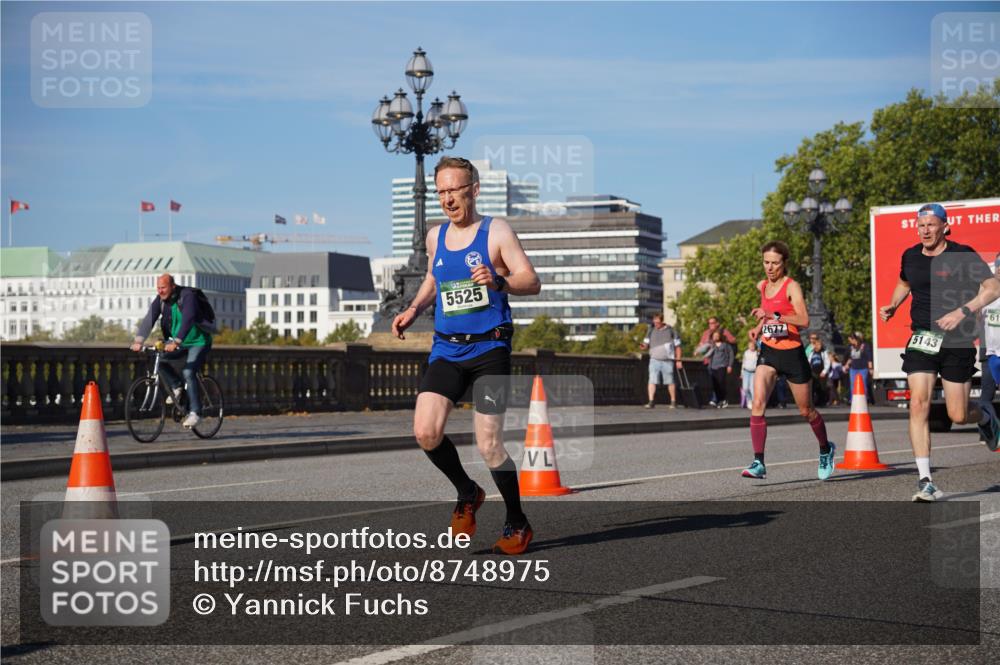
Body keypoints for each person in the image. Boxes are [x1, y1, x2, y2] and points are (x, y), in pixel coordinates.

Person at [392, 156, 541, 555]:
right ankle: (467, 491)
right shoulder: (435, 237)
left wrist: (500, 280)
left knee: (489, 443)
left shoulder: (496, 231)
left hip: (490, 349)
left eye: (454, 189)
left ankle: (517, 521)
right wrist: (413, 309)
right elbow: (431, 279)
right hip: (447, 348)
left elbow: (532, 280)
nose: (446, 198)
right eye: (440, 191)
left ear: (473, 189)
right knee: (425, 431)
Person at [879, 203, 1000, 501]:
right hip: (922, 338)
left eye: (931, 225)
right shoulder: (910, 255)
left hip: (957, 340)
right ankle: (926, 480)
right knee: (918, 404)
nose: (925, 231)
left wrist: (963, 311)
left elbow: (993, 287)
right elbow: (904, 282)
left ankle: (985, 416)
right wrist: (893, 305)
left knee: (958, 414)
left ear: (945, 226)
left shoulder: (962, 254)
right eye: (921, 225)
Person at [742, 240, 836, 481]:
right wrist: (758, 327)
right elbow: (766, 313)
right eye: (766, 262)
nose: (770, 267)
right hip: (770, 352)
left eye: (775, 263)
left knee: (807, 411)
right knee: (758, 404)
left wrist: (773, 315)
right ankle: (758, 462)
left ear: (784, 263)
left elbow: (804, 320)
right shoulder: (762, 286)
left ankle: (825, 449)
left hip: (793, 354)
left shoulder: (791, 287)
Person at [131, 273, 213, 429]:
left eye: (163, 287)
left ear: (172, 287)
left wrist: (176, 341)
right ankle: (177, 387)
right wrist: (138, 340)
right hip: (177, 342)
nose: (160, 291)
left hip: (198, 341)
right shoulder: (161, 300)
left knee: (189, 372)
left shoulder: (187, 296)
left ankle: (196, 413)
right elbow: (150, 318)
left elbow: (189, 317)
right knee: (158, 359)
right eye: (158, 288)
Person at [975, 253, 1000, 451]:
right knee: (985, 397)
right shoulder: (985, 292)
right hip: (989, 353)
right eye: (998, 266)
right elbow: (975, 319)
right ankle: (989, 429)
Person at [640, 313, 682, 408]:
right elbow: (646, 344)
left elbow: (678, 346)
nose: (656, 324)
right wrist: (643, 346)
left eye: (658, 322)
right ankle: (651, 401)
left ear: (662, 321)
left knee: (670, 381)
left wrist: (679, 360)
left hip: (667, 360)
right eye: (654, 322)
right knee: (652, 380)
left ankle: (673, 401)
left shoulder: (671, 330)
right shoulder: (650, 330)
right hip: (654, 359)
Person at [704, 330, 734, 407]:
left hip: (722, 366)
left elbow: (731, 355)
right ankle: (718, 400)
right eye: (714, 336)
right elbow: (706, 353)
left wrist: (730, 365)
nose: (716, 337)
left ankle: (723, 400)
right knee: (715, 384)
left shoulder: (725, 345)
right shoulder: (712, 346)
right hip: (713, 366)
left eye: (717, 336)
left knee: (721, 383)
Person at [845, 332, 873, 403]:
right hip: (853, 368)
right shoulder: (850, 347)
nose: (850, 341)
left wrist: (870, 368)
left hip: (863, 368)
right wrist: (846, 365)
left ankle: (864, 399)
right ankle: (853, 399)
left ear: (856, 339)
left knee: (863, 383)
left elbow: (869, 358)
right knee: (852, 384)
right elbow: (850, 357)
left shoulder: (865, 346)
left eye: (851, 340)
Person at [807, 334, 832, 406]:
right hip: (813, 372)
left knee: (822, 388)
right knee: (813, 387)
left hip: (821, 372)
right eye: (815, 345)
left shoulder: (823, 352)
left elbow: (827, 362)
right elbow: (809, 361)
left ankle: (822, 402)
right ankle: (812, 402)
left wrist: (824, 371)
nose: (816, 346)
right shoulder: (812, 353)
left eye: (818, 345)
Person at [740, 339, 758, 409]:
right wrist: (741, 373)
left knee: (752, 388)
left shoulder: (756, 353)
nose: (751, 347)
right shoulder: (746, 353)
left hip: (753, 372)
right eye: (750, 346)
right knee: (745, 388)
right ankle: (749, 400)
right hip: (746, 372)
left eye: (753, 346)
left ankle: (754, 402)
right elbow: (743, 363)